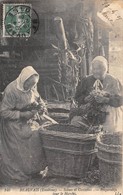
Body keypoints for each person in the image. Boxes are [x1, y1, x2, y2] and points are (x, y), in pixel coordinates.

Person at [0, 66, 48, 185]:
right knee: (23, 137)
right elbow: (4, 112)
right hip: (12, 123)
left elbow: (38, 99)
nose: (32, 87)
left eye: (33, 85)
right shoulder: (11, 90)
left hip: (27, 120)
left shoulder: (32, 87)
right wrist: (23, 114)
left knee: (37, 135)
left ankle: (34, 169)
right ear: (23, 80)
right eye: (29, 85)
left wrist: (41, 106)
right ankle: (21, 171)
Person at [70, 56, 123, 132]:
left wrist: (106, 100)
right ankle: (90, 134)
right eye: (94, 69)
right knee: (76, 121)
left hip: (109, 114)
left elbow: (121, 100)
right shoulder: (86, 80)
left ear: (105, 69)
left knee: (108, 129)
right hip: (89, 113)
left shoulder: (114, 81)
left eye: (99, 69)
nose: (96, 71)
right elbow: (77, 97)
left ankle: (106, 135)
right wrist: (85, 99)